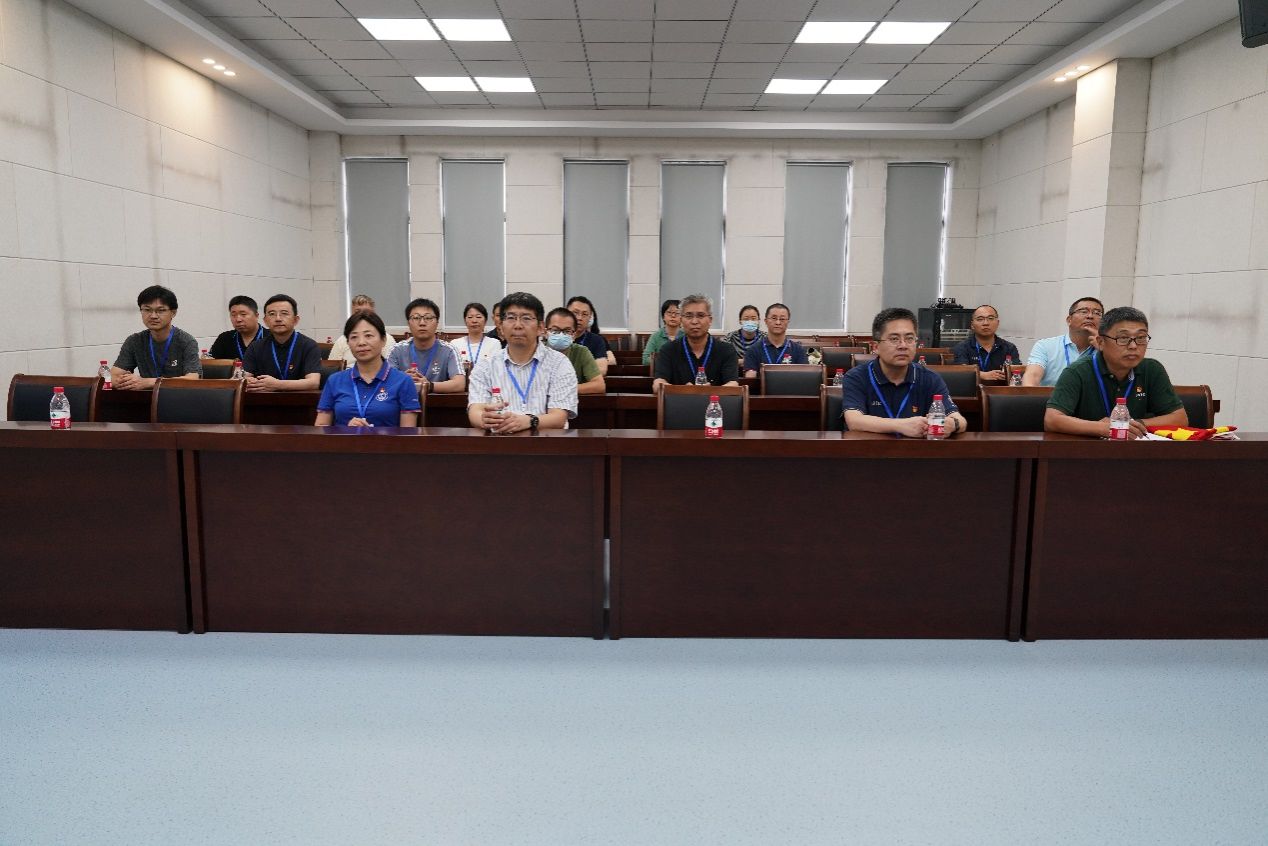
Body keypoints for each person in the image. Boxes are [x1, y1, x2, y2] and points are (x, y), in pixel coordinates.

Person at [1044, 306, 1186, 438]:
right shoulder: (1077, 371)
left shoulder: (1151, 369)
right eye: (1123, 338)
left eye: (1141, 338)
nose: (1133, 346)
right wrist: (1101, 428)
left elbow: (1180, 418)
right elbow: (1052, 420)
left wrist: (1132, 424)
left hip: (1136, 450)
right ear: (1100, 342)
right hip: (1088, 450)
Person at [841, 307, 969, 437]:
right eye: (894, 339)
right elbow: (854, 421)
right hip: (870, 448)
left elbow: (959, 420)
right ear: (876, 347)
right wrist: (901, 426)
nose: (903, 345)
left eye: (909, 339)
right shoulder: (857, 377)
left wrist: (953, 424)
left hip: (916, 449)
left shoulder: (930, 378)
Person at [467, 292, 578, 433]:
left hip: (546, 442)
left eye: (526, 318)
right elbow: (475, 411)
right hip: (498, 441)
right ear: (501, 326)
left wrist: (529, 421)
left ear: (540, 327)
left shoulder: (559, 363)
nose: (518, 325)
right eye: (511, 318)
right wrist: (484, 419)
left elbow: (559, 417)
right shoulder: (485, 366)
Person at [315, 311, 420, 428]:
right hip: (345, 440)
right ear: (348, 343)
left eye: (368, 336)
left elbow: (408, 433)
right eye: (354, 337)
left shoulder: (403, 381)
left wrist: (372, 434)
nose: (361, 343)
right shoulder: (334, 381)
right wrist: (345, 431)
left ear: (383, 340)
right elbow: (321, 427)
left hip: (386, 440)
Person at [111, 285, 202, 389]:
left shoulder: (186, 341)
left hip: (178, 396)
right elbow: (112, 377)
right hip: (146, 397)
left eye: (160, 310)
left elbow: (192, 379)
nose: (153, 316)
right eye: (147, 310)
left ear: (173, 313)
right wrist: (125, 381)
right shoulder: (134, 341)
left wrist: (149, 382)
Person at [651, 293, 740, 389]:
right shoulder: (668, 349)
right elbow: (658, 384)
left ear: (710, 320)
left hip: (715, 399)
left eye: (700, 316)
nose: (694, 321)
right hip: (679, 399)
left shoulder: (726, 350)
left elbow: (733, 384)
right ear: (681, 320)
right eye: (689, 316)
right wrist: (684, 391)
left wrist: (710, 391)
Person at [240, 294, 322, 392]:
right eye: (272, 314)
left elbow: (313, 383)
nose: (278, 319)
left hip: (299, 400)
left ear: (296, 320)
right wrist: (248, 381)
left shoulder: (309, 345)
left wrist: (277, 385)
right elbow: (242, 378)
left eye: (284, 313)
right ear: (265, 321)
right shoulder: (256, 347)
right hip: (263, 400)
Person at [387, 298, 466, 394]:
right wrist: (402, 379)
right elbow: (384, 383)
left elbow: (460, 384)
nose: (422, 323)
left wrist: (428, 385)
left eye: (428, 318)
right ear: (408, 323)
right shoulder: (397, 350)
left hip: (437, 402)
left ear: (437, 323)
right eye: (416, 318)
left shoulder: (448, 350)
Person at [1022, 297, 1104, 387]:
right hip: (1051, 396)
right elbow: (1032, 376)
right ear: (1069, 320)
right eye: (1084, 312)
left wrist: (1103, 349)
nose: (1090, 316)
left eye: (1097, 313)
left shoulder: (1107, 348)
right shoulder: (1045, 346)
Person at [951, 304, 1021, 382]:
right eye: (980, 319)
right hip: (971, 388)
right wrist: (982, 375)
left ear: (997, 323)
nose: (986, 323)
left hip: (1001, 388)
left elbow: (1017, 373)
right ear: (972, 325)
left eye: (990, 318)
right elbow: (962, 371)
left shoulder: (1009, 348)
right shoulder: (962, 347)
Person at [544, 307, 605, 395]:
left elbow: (599, 385)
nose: (561, 335)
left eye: (567, 331)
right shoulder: (536, 351)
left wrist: (564, 388)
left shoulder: (581, 352)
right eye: (555, 330)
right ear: (545, 332)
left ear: (574, 335)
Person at [742, 302, 809, 377]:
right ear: (766, 321)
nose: (778, 322)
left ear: (788, 322)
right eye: (774, 318)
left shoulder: (798, 350)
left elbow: (805, 377)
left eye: (782, 319)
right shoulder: (753, 350)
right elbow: (750, 378)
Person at [328, 294, 391, 366]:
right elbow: (332, 366)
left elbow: (390, 365)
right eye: (357, 312)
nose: (361, 343)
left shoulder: (386, 338)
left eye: (368, 336)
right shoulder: (342, 340)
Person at [566, 295, 616, 374]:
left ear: (590, 318)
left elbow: (601, 370)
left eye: (584, 314)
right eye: (575, 313)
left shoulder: (596, 340)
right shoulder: (556, 337)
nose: (579, 318)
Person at [208, 295, 266, 361]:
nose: (238, 319)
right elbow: (210, 362)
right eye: (233, 315)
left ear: (256, 316)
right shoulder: (224, 338)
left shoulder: (271, 337)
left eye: (243, 314)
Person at [453, 302, 500, 374]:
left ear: (485, 320)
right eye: (470, 317)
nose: (474, 321)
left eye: (478, 317)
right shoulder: (455, 344)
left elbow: (496, 371)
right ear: (465, 321)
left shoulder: (494, 344)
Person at [641, 299, 682, 365]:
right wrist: (666, 360)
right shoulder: (656, 336)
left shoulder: (687, 336)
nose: (673, 316)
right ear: (663, 317)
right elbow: (645, 360)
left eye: (677, 313)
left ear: (682, 317)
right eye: (669, 312)